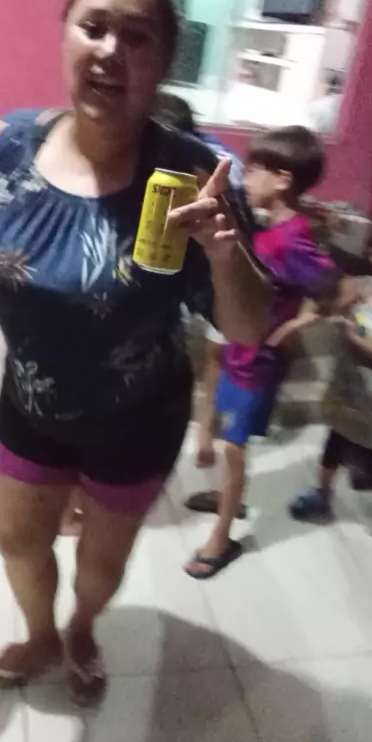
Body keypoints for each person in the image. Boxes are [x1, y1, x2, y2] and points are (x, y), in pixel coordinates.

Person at [0, 0, 269, 701]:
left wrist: (224, 252)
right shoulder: (5, 145)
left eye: (136, 36)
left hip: (139, 417)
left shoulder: (195, 175)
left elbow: (250, 328)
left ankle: (80, 629)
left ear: (164, 59)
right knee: (18, 544)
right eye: (93, 27)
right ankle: (40, 635)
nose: (109, 49)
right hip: (31, 405)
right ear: (66, 35)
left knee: (101, 567)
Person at [185, 125, 335, 579]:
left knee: (234, 449)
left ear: (283, 179)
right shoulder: (272, 227)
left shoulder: (294, 238)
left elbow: (334, 289)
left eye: (253, 171)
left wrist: (291, 327)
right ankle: (227, 499)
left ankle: (222, 537)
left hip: (258, 366)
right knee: (229, 440)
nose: (245, 179)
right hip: (239, 353)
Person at [154, 91, 251, 474]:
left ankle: (205, 430)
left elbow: (239, 232)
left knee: (216, 350)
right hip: (169, 253)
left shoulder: (220, 168)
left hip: (219, 259)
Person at [290, 240, 372, 520]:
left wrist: (352, 334)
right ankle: (322, 494)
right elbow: (323, 302)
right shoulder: (361, 285)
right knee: (337, 437)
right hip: (349, 387)